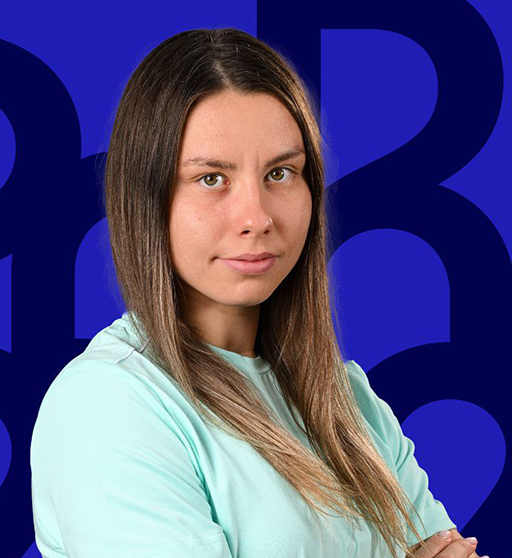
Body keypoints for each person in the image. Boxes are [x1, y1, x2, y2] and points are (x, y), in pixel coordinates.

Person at [29, 27, 486, 558]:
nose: (257, 217)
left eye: (280, 173)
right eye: (211, 178)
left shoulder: (349, 400)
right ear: (145, 196)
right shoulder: (108, 404)